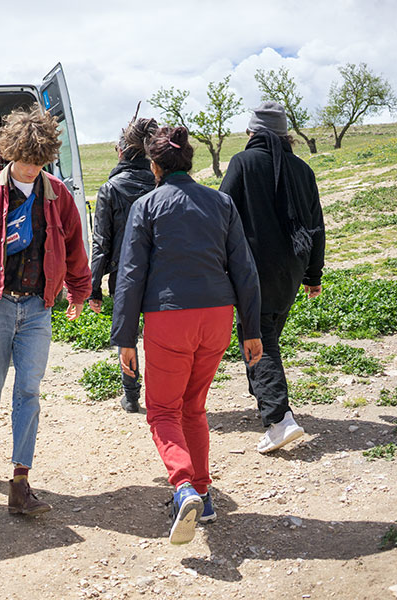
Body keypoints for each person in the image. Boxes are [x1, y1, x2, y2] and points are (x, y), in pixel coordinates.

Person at [111, 126, 263, 545]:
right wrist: (252, 330)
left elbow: (130, 275)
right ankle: (205, 495)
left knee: (162, 411)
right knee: (193, 407)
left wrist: (124, 337)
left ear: (154, 165)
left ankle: (183, 488)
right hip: (217, 315)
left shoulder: (146, 206)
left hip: (169, 316)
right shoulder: (222, 202)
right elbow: (245, 271)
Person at [0, 106, 91, 516]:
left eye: (39, 163)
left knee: (28, 391)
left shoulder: (58, 195)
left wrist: (79, 292)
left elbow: (75, 249)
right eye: (25, 161)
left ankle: (21, 479)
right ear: (11, 153)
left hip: (36, 310)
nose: (31, 170)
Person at [219, 101, 326, 455]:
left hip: (253, 268)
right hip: (292, 267)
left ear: (252, 133)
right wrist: (313, 274)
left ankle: (280, 419)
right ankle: (267, 399)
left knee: (259, 338)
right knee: (268, 331)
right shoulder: (302, 169)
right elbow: (315, 226)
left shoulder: (243, 163)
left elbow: (222, 211)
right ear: (284, 136)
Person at [88, 115, 158, 413]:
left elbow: (101, 242)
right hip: (161, 272)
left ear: (121, 152)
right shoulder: (160, 182)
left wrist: (93, 288)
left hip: (123, 273)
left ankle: (131, 395)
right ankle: (163, 392)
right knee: (158, 334)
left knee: (127, 334)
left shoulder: (110, 188)